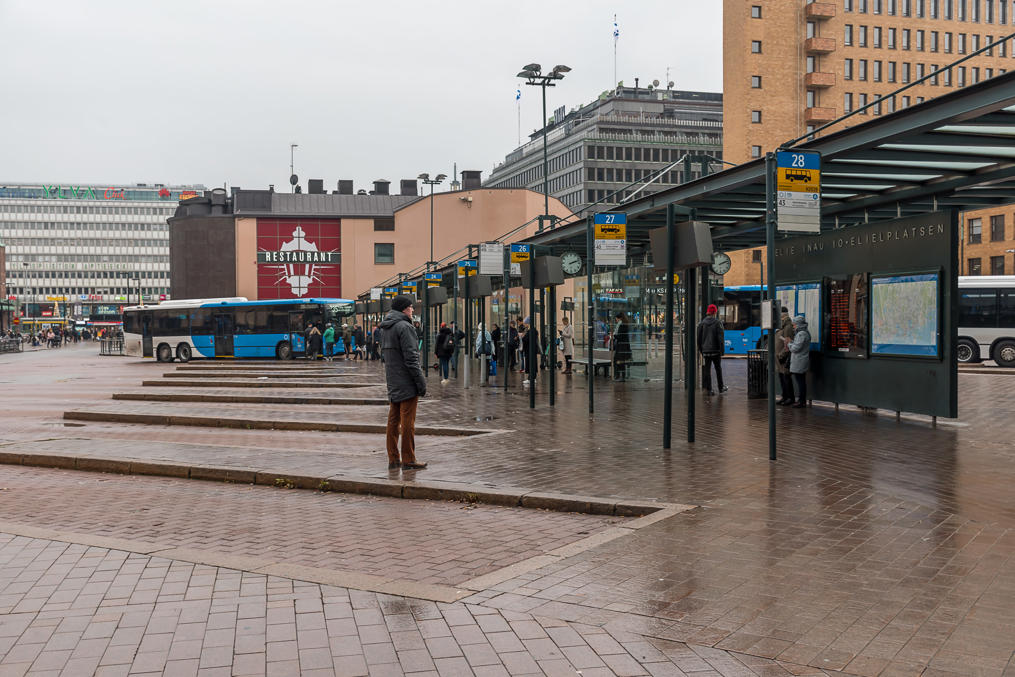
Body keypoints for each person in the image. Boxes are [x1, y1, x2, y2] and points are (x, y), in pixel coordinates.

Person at [380, 295, 427, 470]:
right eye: (411, 307)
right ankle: (409, 459)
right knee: (408, 422)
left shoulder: (386, 327)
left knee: (393, 420)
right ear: (404, 309)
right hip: (406, 381)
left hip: (392, 379)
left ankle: (393, 458)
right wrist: (421, 382)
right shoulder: (405, 327)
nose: (413, 310)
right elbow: (411, 359)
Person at [697, 304, 726, 395]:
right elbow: (720, 338)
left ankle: (709, 390)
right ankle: (721, 387)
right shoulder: (718, 323)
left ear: (708, 312)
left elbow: (699, 338)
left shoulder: (702, 323)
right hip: (716, 351)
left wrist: (701, 350)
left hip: (706, 351)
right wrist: (721, 351)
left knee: (707, 370)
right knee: (718, 369)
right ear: (715, 312)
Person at [788, 315, 811, 409]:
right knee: (800, 381)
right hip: (800, 360)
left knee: (800, 382)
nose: (793, 326)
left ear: (798, 324)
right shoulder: (804, 332)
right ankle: (801, 400)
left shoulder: (801, 334)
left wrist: (789, 343)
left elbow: (795, 348)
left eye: (794, 324)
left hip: (799, 360)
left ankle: (801, 401)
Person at [775, 307, 795, 405]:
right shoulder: (783, 326)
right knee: (782, 377)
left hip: (783, 358)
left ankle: (790, 398)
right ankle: (785, 396)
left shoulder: (788, 327)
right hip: (779, 358)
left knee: (786, 378)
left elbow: (788, 343)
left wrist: (781, 355)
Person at [611, 312, 632, 381]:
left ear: (620, 318)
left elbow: (620, 336)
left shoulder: (622, 325)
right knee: (619, 361)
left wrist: (613, 335)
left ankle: (620, 377)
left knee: (619, 361)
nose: (616, 321)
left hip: (622, 346)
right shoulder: (623, 324)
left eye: (616, 319)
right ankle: (619, 376)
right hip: (622, 345)